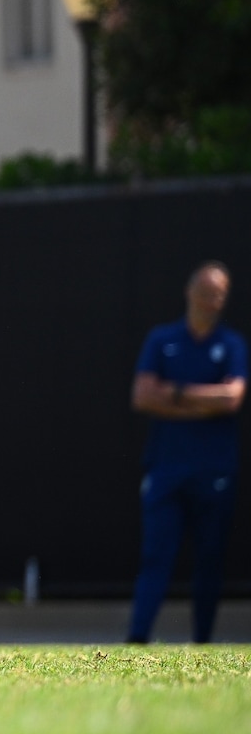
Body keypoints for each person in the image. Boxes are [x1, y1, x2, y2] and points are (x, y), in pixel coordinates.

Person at [128, 262, 245, 645]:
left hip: (214, 470)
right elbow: (143, 396)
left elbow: (231, 398)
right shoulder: (162, 340)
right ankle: (137, 638)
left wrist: (175, 393)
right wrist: (201, 401)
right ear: (190, 290)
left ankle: (203, 644)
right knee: (155, 556)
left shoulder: (230, 345)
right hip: (166, 468)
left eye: (221, 294)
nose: (213, 300)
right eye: (207, 291)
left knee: (209, 561)